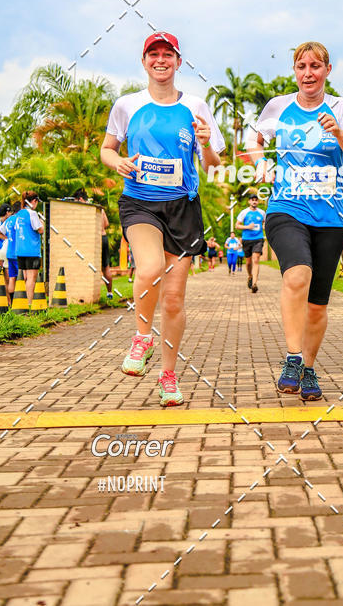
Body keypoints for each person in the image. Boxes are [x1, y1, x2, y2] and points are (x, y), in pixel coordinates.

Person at [100, 31, 224, 406]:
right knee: (149, 267)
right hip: (140, 202)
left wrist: (204, 142)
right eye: (153, 54)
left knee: (173, 300)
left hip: (183, 208)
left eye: (167, 54)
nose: (160, 60)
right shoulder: (127, 105)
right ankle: (141, 337)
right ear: (144, 61)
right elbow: (107, 149)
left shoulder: (196, 106)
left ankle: (168, 375)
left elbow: (215, 162)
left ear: (178, 62)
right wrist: (118, 161)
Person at [249, 41, 343, 401]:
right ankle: (293, 357)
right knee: (297, 275)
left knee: (317, 304)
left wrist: (341, 135)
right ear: (295, 71)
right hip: (286, 208)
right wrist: (261, 165)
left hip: (329, 216)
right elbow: (256, 141)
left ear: (327, 71)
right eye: (301, 66)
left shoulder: (341, 109)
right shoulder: (279, 107)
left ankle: (310, 370)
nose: (308, 73)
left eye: (315, 66)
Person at [73, 188, 113, 300]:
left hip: (94, 239)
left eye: (76, 201)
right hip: (103, 237)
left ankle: (90, 293)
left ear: (80, 199)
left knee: (90, 266)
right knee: (106, 267)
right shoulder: (98, 208)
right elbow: (106, 224)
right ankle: (110, 293)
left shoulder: (85, 209)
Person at [14, 191, 45, 307]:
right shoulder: (32, 213)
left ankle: (19, 303)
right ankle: (29, 304)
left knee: (23, 277)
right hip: (32, 250)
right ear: (34, 201)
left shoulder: (19, 214)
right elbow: (40, 230)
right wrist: (42, 221)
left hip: (20, 250)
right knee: (31, 278)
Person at [236, 194, 266, 293]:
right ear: (249, 201)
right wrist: (247, 227)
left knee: (256, 259)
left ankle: (254, 284)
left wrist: (264, 225)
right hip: (247, 239)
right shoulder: (244, 212)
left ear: (258, 202)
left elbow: (265, 222)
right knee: (248, 263)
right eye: (252, 200)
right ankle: (250, 276)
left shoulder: (262, 213)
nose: (254, 202)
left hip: (258, 239)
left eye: (256, 200)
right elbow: (237, 226)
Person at [0, 202, 20, 301]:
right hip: (19, 252)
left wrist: (7, 239)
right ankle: (20, 302)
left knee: (12, 277)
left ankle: (11, 302)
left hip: (9, 252)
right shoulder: (20, 220)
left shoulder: (8, 220)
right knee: (21, 277)